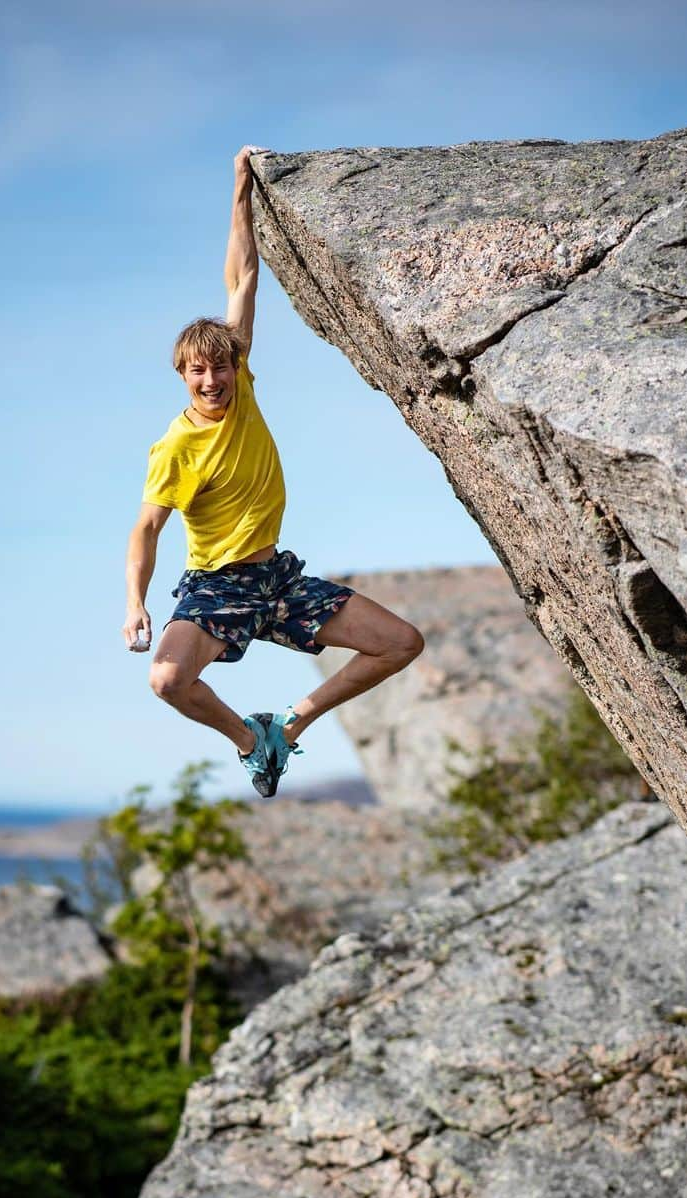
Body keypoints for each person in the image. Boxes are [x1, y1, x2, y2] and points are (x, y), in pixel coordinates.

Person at [123, 144, 425, 798]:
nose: (213, 379)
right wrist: (135, 606)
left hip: (276, 578)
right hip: (216, 587)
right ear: (183, 375)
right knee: (166, 679)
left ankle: (288, 726)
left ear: (236, 367)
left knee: (401, 642)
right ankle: (247, 740)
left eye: (221, 366)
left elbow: (243, 279)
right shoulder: (175, 448)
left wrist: (242, 188)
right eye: (199, 370)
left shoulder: (245, 389)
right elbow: (146, 529)